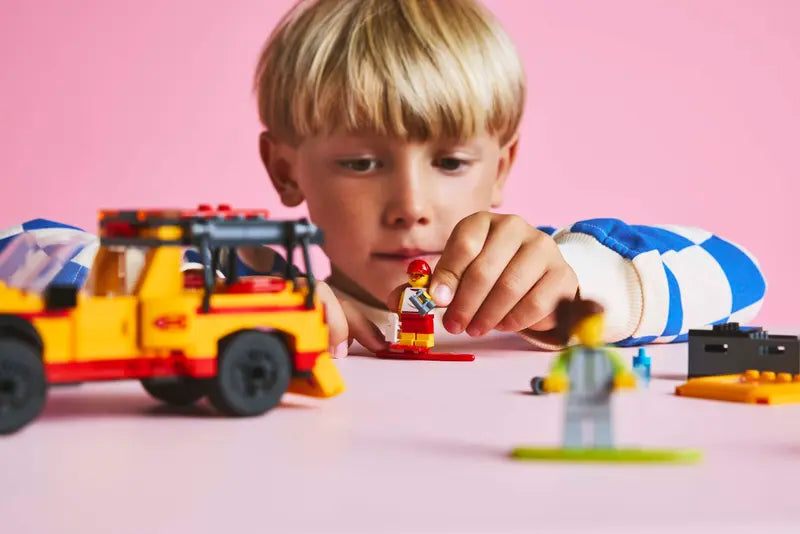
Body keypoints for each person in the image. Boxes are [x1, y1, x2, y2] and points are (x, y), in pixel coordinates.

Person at [0, 0, 767, 358]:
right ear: (284, 169)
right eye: (361, 163)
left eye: (452, 162)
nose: (410, 207)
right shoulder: (250, 284)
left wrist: (587, 283)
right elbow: (18, 249)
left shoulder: (542, 287)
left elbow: (741, 274)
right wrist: (203, 287)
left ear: (503, 169)